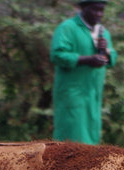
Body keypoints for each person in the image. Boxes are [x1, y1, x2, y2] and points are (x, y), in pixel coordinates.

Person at [50, 0, 117, 145]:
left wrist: (105, 51)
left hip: (93, 92)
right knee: (71, 132)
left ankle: (86, 167)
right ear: (83, 8)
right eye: (95, 10)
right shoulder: (68, 28)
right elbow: (57, 55)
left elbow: (112, 59)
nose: (99, 14)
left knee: (91, 132)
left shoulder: (103, 32)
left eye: (101, 10)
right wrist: (88, 59)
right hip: (73, 91)